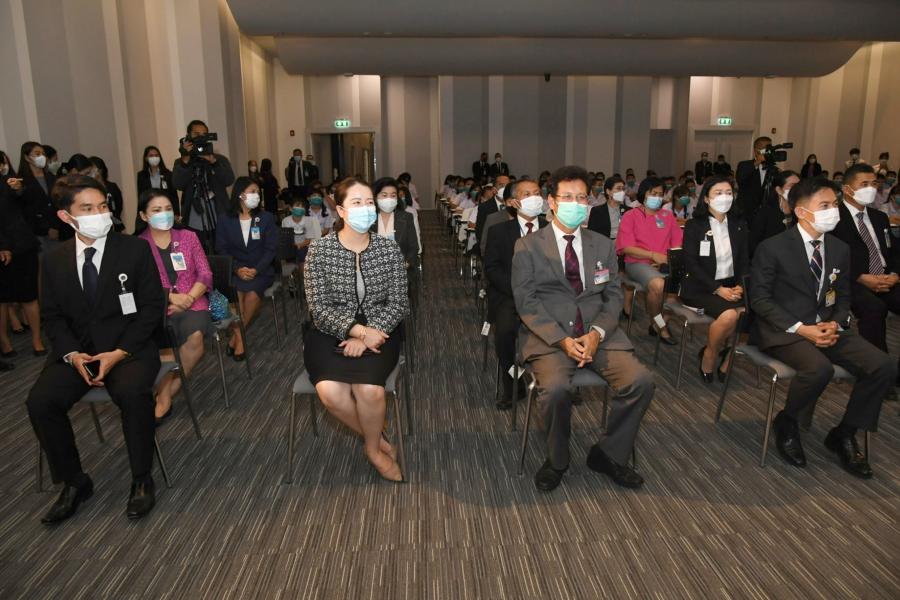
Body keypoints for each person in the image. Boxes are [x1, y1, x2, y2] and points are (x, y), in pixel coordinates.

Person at [27, 174, 164, 523]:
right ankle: (74, 482)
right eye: (87, 208)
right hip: (79, 353)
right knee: (41, 402)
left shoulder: (133, 249)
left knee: (133, 393)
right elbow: (52, 316)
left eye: (102, 206)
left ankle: (141, 478)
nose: (99, 214)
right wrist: (73, 356)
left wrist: (119, 353)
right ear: (66, 216)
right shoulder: (53, 260)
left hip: (129, 348)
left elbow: (152, 309)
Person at [512, 165, 654, 492]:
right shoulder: (528, 246)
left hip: (598, 335)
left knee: (641, 381)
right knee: (555, 390)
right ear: (551, 202)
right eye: (567, 197)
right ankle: (557, 460)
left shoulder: (602, 245)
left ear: (589, 202)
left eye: (581, 198)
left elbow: (613, 296)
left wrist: (596, 334)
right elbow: (527, 303)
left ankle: (609, 454)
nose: (575, 204)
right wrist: (562, 340)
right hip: (550, 338)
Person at [750, 176, 894, 477]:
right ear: (801, 211)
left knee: (883, 366)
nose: (833, 211)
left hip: (828, 327)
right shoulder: (772, 247)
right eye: (825, 205)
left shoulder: (839, 248)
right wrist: (802, 329)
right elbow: (760, 300)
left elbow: (843, 295)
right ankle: (788, 421)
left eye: (835, 204)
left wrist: (835, 323)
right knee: (819, 369)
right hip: (785, 330)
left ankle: (845, 433)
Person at [303, 177, 409, 482]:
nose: (366, 208)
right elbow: (318, 308)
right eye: (357, 202)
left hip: (381, 332)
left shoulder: (388, 250)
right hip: (329, 333)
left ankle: (373, 449)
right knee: (331, 392)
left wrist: (368, 334)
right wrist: (356, 331)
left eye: (369, 202)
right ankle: (376, 438)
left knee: (369, 390)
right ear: (340, 210)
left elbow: (399, 302)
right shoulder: (320, 250)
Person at [136, 190, 213, 421]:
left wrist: (188, 298)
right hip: (158, 305)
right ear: (143, 216)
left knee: (195, 337)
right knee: (163, 342)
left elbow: (205, 273)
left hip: (194, 300)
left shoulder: (188, 237)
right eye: (157, 210)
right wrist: (170, 297)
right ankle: (164, 398)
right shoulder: (138, 245)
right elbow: (140, 284)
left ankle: (167, 392)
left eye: (168, 209)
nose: (164, 214)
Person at [831, 164, 900, 380]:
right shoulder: (834, 218)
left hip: (886, 278)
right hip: (852, 280)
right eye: (864, 184)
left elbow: (895, 252)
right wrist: (861, 277)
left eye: (874, 183)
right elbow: (831, 256)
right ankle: (879, 373)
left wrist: (895, 274)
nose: (871, 188)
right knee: (874, 308)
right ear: (847, 189)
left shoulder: (879, 217)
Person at [483, 178, 545, 409]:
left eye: (537, 193)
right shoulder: (499, 231)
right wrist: (518, 290)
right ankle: (513, 382)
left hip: (546, 295)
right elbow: (492, 268)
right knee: (505, 332)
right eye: (527, 194)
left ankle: (559, 380)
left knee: (565, 321)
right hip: (509, 295)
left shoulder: (552, 229)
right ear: (513, 202)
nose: (534, 198)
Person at [680, 176, 749, 382]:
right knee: (729, 316)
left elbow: (745, 261)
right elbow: (691, 264)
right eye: (718, 193)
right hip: (701, 287)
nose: (724, 197)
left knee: (754, 312)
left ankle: (729, 356)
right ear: (706, 199)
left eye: (728, 193)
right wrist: (718, 289)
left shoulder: (739, 224)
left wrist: (740, 286)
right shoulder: (694, 225)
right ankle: (710, 353)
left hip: (731, 286)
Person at [616, 177, 684, 344]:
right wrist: (652, 255)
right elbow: (626, 248)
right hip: (637, 263)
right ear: (644, 194)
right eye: (653, 193)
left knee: (686, 287)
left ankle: (660, 321)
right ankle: (659, 325)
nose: (657, 197)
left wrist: (667, 260)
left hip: (664, 263)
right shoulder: (631, 215)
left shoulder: (667, 216)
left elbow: (677, 244)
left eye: (660, 194)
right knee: (659, 285)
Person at [215, 177, 277, 360]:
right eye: (252, 192)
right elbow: (221, 249)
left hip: (261, 271)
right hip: (236, 270)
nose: (257, 195)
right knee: (236, 296)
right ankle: (240, 338)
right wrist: (237, 269)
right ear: (241, 195)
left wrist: (256, 270)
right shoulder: (225, 219)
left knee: (251, 295)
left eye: (258, 192)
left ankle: (236, 338)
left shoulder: (266, 218)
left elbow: (271, 249)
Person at [0, 176, 45, 358]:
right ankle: (4, 342)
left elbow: (26, 203)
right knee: (2, 299)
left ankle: (37, 340)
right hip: (2, 249)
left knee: (29, 295)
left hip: (23, 244)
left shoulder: (8, 183)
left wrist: (18, 189)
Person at [172, 120, 235, 243]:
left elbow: (229, 180)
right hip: (193, 217)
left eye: (204, 134)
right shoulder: (181, 162)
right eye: (196, 134)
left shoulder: (219, 159)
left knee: (220, 249)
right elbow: (177, 184)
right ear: (188, 136)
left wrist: (214, 162)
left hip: (218, 215)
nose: (201, 138)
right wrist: (185, 161)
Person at [17, 142, 61, 251]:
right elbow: (25, 209)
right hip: (36, 232)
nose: (42, 157)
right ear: (27, 157)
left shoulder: (51, 177)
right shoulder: (21, 181)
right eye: (37, 154)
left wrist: (55, 226)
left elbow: (57, 202)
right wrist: (46, 229)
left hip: (57, 228)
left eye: (43, 154)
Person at [373, 178, 419, 271]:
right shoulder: (368, 219)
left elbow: (414, 247)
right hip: (374, 270)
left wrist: (405, 264)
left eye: (393, 195)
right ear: (375, 197)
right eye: (384, 195)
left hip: (400, 270)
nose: (389, 199)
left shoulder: (406, 217)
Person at [750, 170, 799, 256]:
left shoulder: (801, 211)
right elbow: (754, 242)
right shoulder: (765, 212)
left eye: (799, 186)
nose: (797, 189)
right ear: (779, 190)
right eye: (792, 186)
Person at [736, 136, 779, 222]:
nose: (768, 151)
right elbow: (740, 179)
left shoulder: (772, 169)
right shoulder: (744, 165)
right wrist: (757, 162)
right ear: (756, 150)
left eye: (770, 147)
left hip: (765, 213)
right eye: (765, 148)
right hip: (746, 211)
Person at [136, 146, 178, 223]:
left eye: (156, 155)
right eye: (151, 156)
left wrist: (176, 213)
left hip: (165, 211)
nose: (154, 157)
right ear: (146, 158)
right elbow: (141, 196)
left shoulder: (168, 174)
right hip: (150, 211)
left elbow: (174, 196)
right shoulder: (141, 175)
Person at [281, 195, 322, 263]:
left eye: (302, 207)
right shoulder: (286, 221)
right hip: (291, 246)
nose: (299, 209)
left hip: (304, 245)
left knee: (302, 252)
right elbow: (286, 238)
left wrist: (299, 246)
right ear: (290, 208)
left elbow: (308, 240)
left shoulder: (308, 221)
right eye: (297, 207)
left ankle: (301, 267)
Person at [90, 156, 125, 232]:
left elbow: (119, 206)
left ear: (100, 170)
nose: (90, 172)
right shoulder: (89, 189)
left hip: (115, 225)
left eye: (92, 169)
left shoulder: (112, 186)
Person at [475, 174, 510, 250]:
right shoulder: (484, 207)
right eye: (501, 185)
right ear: (494, 190)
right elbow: (480, 232)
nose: (505, 188)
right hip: (491, 246)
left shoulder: (514, 206)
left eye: (507, 185)